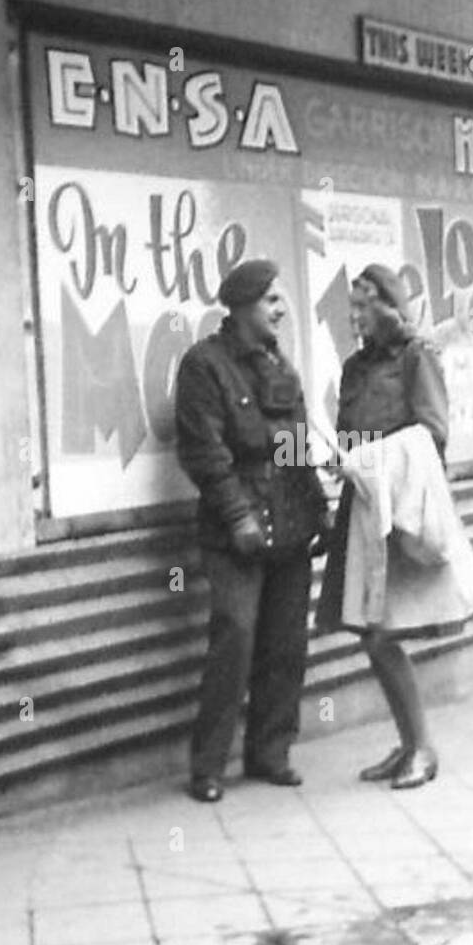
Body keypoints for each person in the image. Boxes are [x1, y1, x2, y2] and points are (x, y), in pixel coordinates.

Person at [174, 259, 326, 803]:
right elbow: (204, 452)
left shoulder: (281, 367)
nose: (281, 310)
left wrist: (319, 509)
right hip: (236, 532)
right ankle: (208, 766)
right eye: (271, 301)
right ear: (239, 307)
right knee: (234, 638)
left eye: (280, 301)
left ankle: (270, 753)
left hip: (289, 525)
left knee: (286, 644)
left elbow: (296, 444)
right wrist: (237, 515)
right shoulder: (203, 366)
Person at [316, 263, 452, 790]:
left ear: (387, 308)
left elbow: (434, 435)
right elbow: (352, 435)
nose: (352, 317)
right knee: (371, 631)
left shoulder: (419, 357)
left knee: (380, 633)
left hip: (399, 508)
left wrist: (379, 461)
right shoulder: (353, 369)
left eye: (361, 307)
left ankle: (421, 747)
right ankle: (410, 743)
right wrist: (342, 458)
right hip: (364, 507)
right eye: (349, 307)